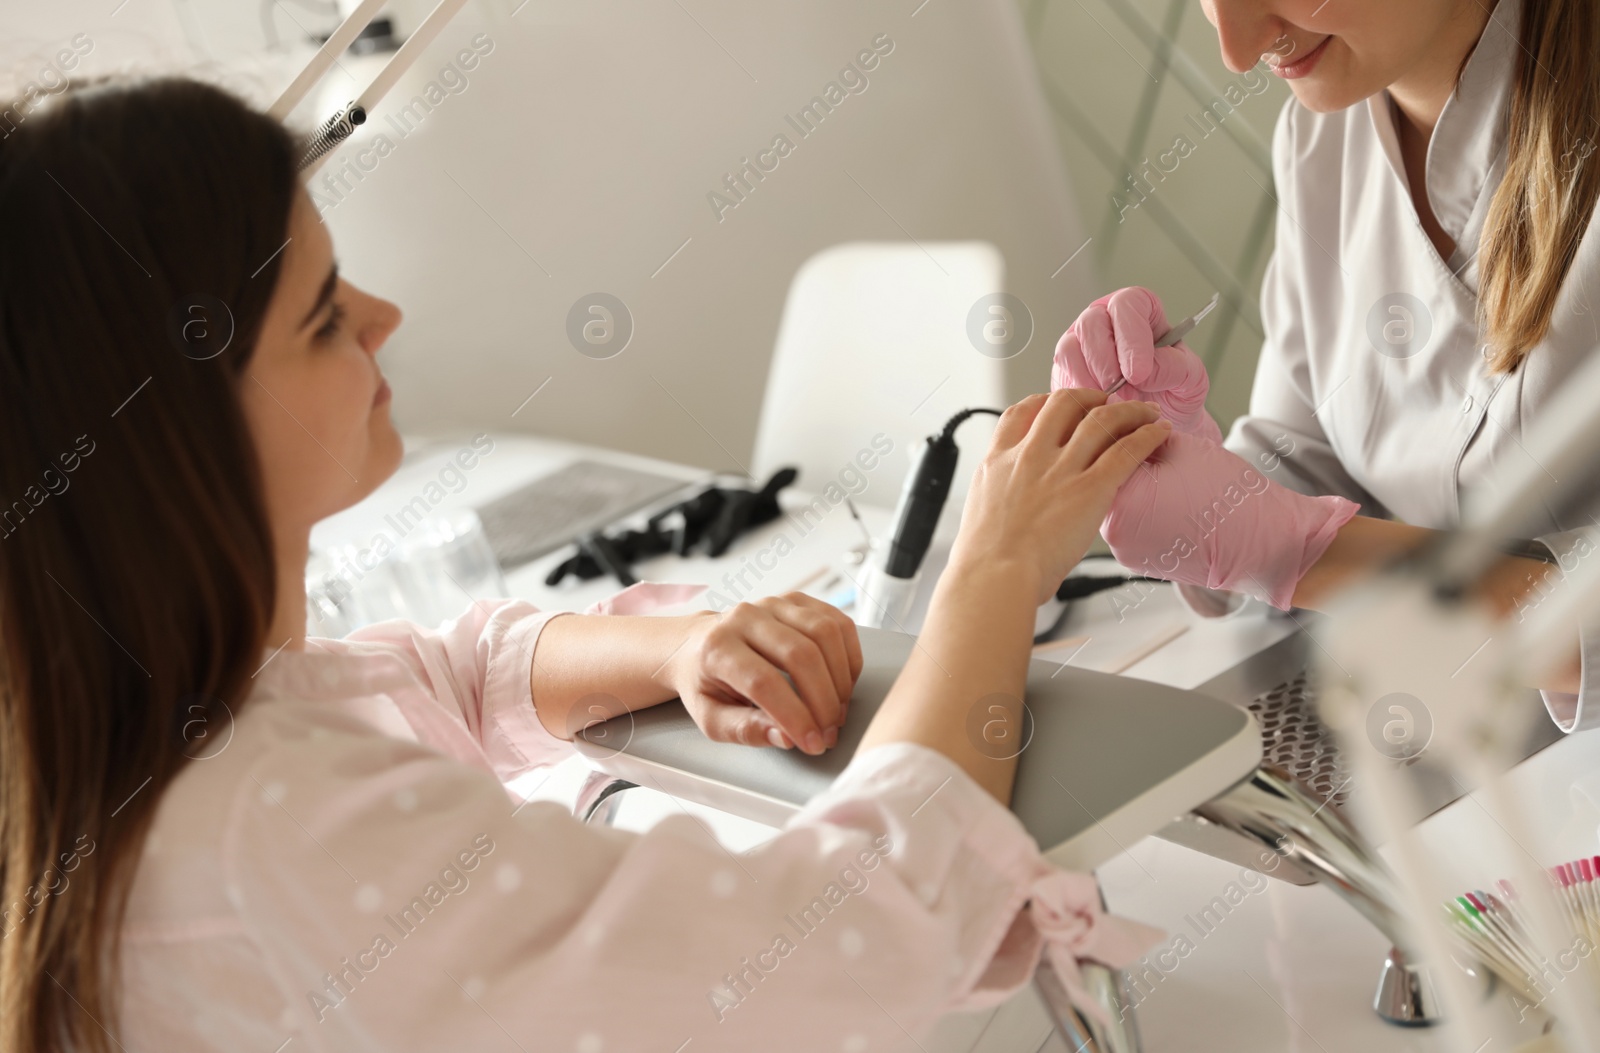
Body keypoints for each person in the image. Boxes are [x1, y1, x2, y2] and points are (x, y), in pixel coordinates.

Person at [0, 78, 1171, 1053]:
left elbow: (413, 679)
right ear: (170, 440)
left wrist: (674, 643)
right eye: (320, 317)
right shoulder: (274, 825)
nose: (385, 313)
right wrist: (997, 567)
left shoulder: (116, 727)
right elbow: (848, 936)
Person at [1053, 0, 1600, 731]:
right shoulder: (1323, 135)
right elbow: (1305, 465)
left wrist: (1299, 548)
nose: (1238, 52)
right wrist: (1185, 471)